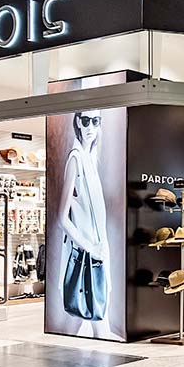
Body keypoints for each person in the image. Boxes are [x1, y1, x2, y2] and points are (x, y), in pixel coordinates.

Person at [58, 109, 113, 338]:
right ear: (78, 123)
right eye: (86, 121)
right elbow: (62, 218)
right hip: (86, 253)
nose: (90, 127)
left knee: (89, 318)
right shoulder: (76, 159)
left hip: (98, 253)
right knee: (91, 318)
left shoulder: (90, 159)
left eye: (95, 121)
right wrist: (89, 247)